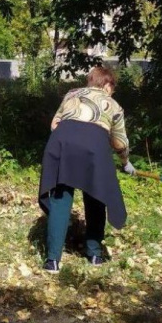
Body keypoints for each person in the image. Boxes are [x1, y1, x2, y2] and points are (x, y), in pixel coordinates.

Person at [39, 66, 136, 272]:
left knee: (60, 199)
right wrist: (125, 162)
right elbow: (119, 142)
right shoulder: (113, 105)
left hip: (61, 144)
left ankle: (52, 261)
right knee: (96, 198)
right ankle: (94, 255)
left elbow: (55, 124)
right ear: (108, 85)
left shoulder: (71, 94)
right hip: (93, 148)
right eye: (113, 87)